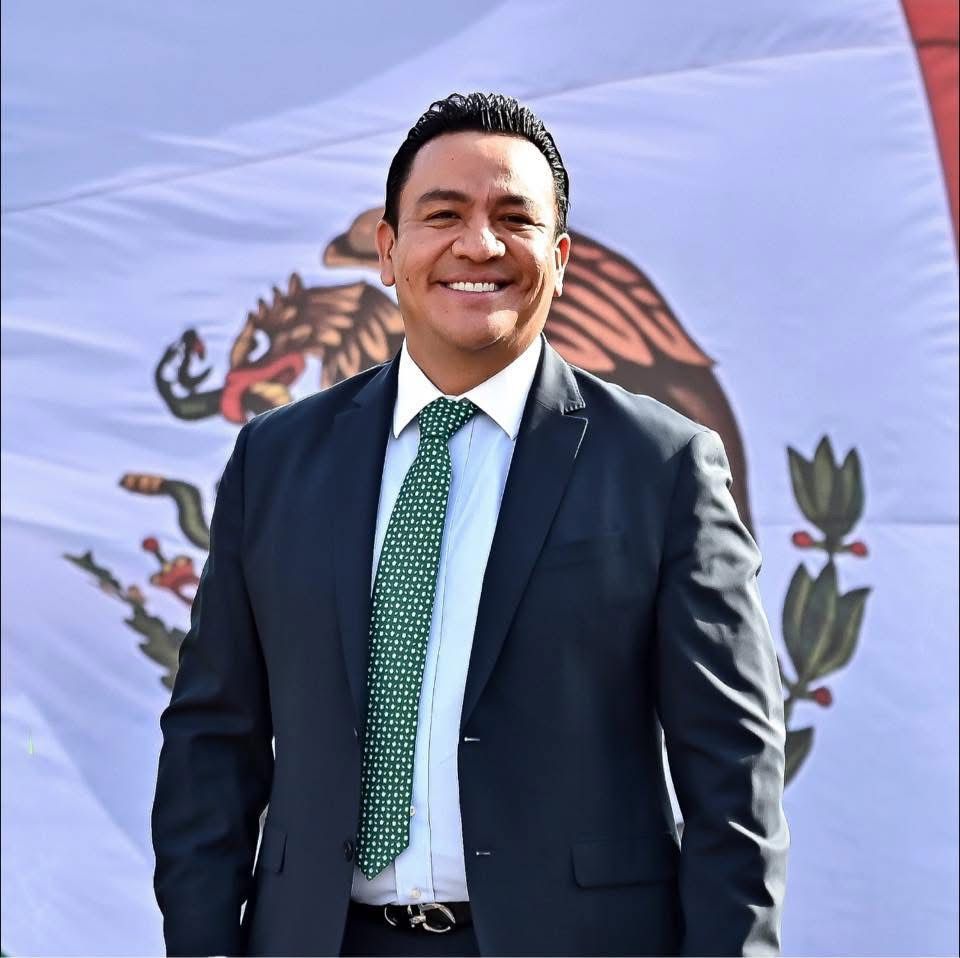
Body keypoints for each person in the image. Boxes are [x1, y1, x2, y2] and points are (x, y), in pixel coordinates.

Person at [152, 91, 789, 957]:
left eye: (514, 219)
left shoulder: (661, 466)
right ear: (388, 250)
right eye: (443, 214)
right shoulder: (276, 459)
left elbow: (733, 775)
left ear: (559, 258)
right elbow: (211, 740)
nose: (479, 245)